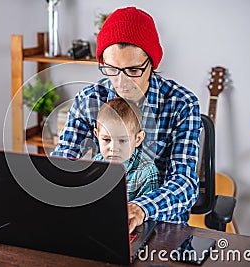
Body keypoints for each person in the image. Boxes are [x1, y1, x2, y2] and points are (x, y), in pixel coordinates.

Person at [51, 6, 202, 233]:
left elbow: (185, 183)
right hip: (98, 221)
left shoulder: (182, 104)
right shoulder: (89, 100)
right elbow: (63, 160)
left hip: (161, 226)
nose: (121, 82)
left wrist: (140, 209)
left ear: (151, 63)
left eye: (133, 70)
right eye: (112, 69)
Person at [93, 98, 161, 201]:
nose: (113, 148)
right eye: (106, 139)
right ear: (97, 135)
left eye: (122, 141)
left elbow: (146, 211)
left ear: (138, 139)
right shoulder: (95, 163)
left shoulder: (146, 172)